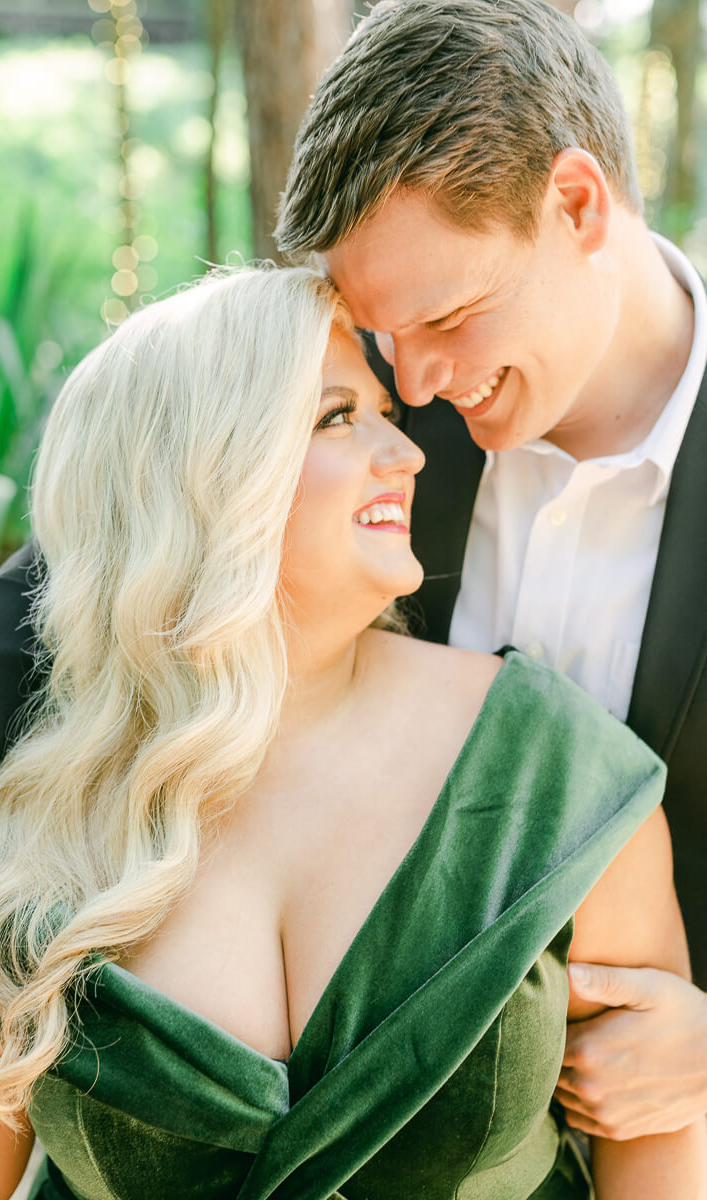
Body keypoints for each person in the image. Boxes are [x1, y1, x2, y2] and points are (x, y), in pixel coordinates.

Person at [0, 265, 703, 1200]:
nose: (407, 454)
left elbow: (662, 1139)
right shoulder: (36, 799)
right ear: (205, 476)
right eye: (337, 417)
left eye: (383, 413)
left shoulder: (559, 767)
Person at [274, 0, 707, 1144]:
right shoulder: (369, 410)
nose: (411, 388)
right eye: (382, 338)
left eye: (451, 317)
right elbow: (110, 562)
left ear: (576, 204)